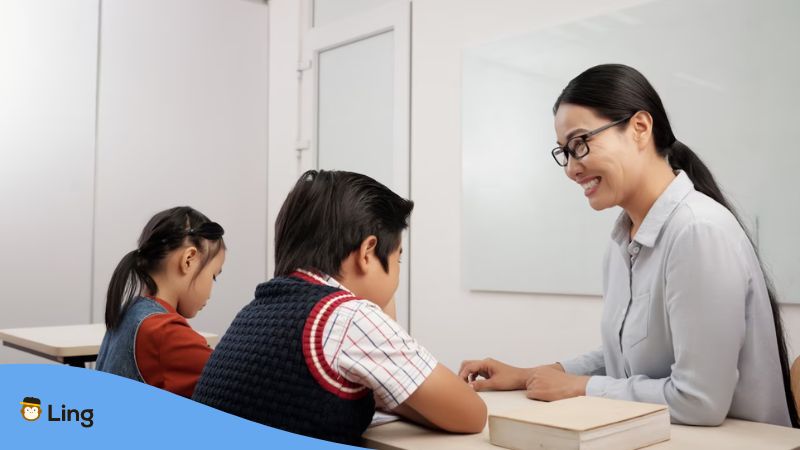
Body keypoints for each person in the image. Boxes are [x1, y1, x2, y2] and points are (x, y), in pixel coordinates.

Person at [460, 64, 798, 428]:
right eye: (564, 152)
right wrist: (530, 374)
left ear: (640, 128)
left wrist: (580, 387)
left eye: (580, 143)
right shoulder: (624, 239)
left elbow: (699, 402)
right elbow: (633, 360)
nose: (571, 169)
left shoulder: (699, 231)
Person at [193, 170, 486, 445]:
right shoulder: (348, 316)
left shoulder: (257, 311)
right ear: (368, 253)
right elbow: (471, 414)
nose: (397, 274)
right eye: (398, 258)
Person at [96, 206, 226, 398]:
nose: (211, 290)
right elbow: (235, 383)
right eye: (213, 276)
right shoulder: (164, 331)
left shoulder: (129, 312)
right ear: (189, 259)